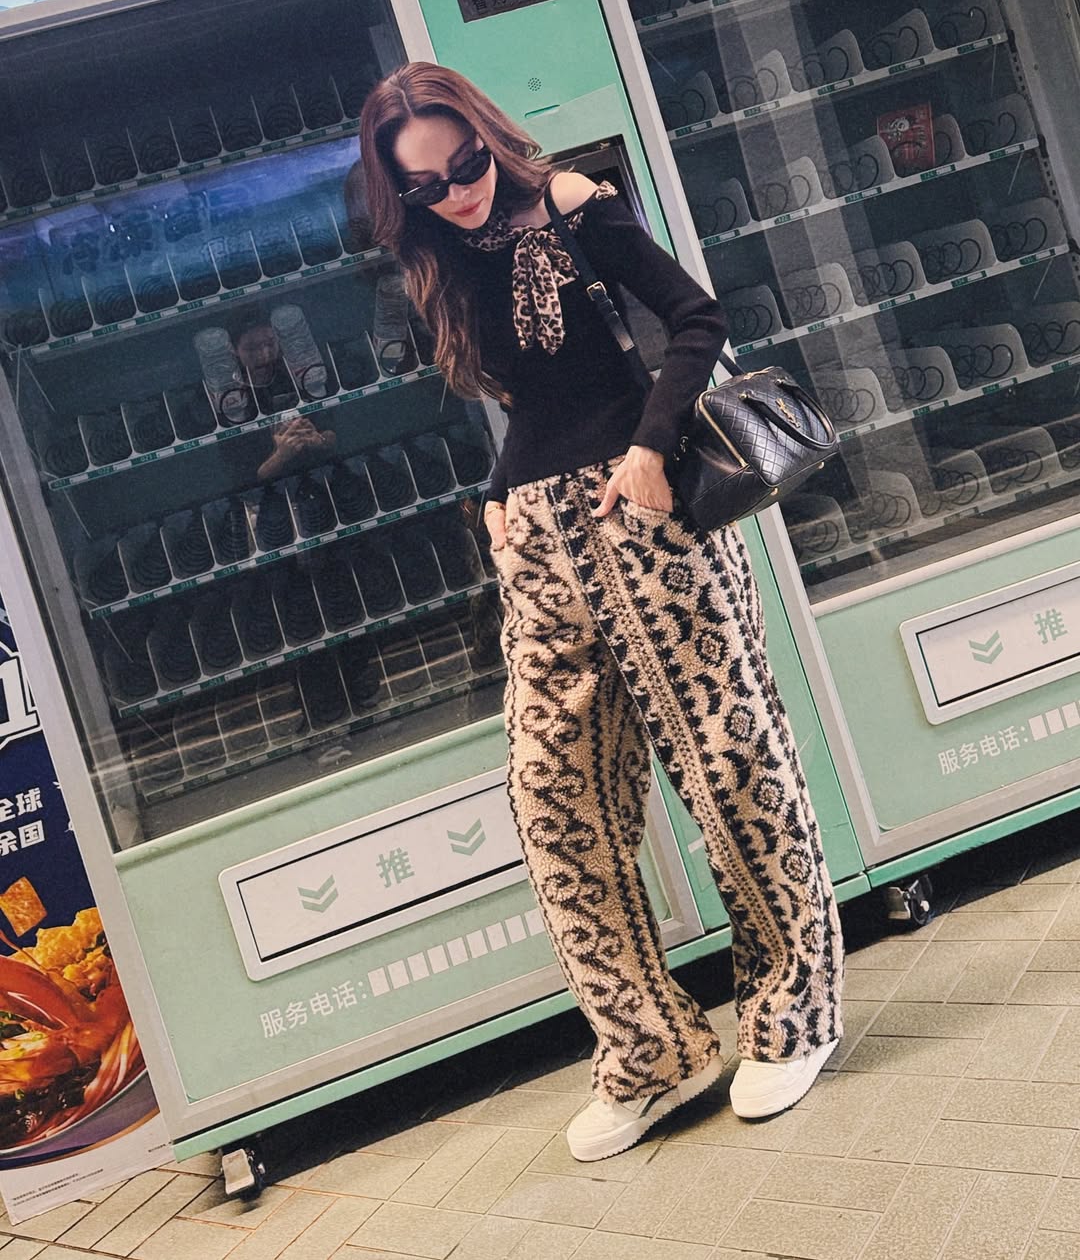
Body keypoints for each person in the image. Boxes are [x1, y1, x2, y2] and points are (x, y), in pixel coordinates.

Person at [358, 63, 843, 1163]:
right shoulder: (434, 256)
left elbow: (696, 318)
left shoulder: (574, 204)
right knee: (555, 799)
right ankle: (652, 1049)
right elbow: (530, 404)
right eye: (427, 184)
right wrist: (498, 499)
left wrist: (652, 447)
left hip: (646, 512)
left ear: (487, 136)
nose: (458, 191)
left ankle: (793, 1009)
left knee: (728, 764)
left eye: (467, 164)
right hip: (537, 538)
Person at [225, 306, 335, 484]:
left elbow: (333, 431)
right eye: (251, 348)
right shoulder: (227, 399)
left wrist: (318, 440)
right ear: (233, 349)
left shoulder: (303, 373)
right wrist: (280, 456)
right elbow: (244, 478)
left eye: (270, 343)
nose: (265, 354)